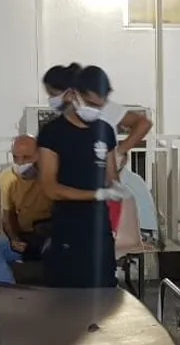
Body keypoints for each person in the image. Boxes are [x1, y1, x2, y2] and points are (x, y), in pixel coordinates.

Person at [36, 65, 128, 288]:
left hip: (100, 229)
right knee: (67, 296)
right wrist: (95, 194)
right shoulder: (52, 133)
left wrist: (116, 188)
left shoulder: (105, 131)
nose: (95, 110)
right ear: (74, 94)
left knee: (105, 290)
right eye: (91, 104)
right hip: (68, 228)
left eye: (100, 106)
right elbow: (50, 188)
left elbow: (111, 177)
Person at [43, 62, 153, 166]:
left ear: (70, 92)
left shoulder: (102, 106)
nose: (51, 99)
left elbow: (144, 123)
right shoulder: (61, 120)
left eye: (53, 94)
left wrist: (119, 152)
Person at [0, 135, 50, 285]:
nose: (21, 162)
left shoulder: (52, 174)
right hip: (24, 236)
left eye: (27, 157)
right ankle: (7, 291)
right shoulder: (6, 177)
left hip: (49, 235)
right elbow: (7, 215)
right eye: (16, 157)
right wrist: (14, 239)